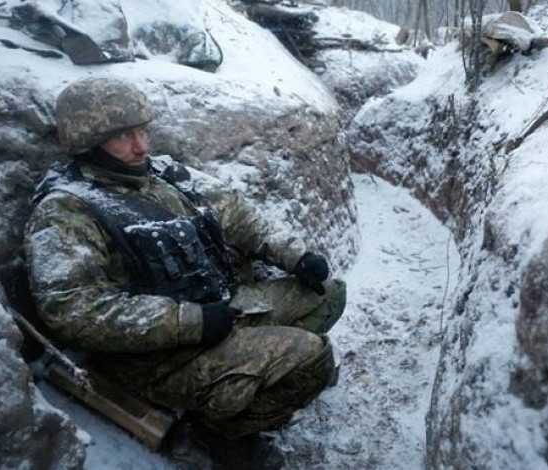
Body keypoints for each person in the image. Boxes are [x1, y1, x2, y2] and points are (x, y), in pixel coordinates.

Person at [24, 77, 346, 468]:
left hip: (223, 310)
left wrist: (296, 257)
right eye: (123, 137)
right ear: (88, 143)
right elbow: (74, 311)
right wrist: (188, 322)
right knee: (313, 357)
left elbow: (240, 216)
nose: (141, 146)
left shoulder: (163, 173)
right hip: (161, 357)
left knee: (329, 293)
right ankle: (221, 430)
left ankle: (259, 381)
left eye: (142, 131)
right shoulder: (67, 211)